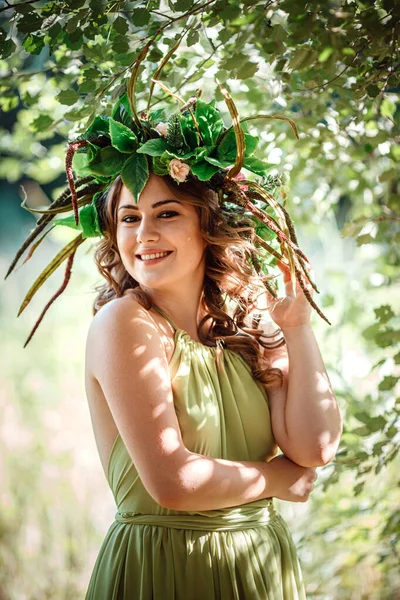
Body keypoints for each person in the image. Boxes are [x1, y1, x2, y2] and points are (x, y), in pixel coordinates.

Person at [8, 83, 342, 599]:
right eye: (129, 218)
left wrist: (297, 329)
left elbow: (314, 448)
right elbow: (173, 483)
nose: (144, 234)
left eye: (166, 213)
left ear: (208, 226)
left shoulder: (246, 327)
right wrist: (276, 481)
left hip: (259, 568)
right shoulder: (124, 323)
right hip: (165, 567)